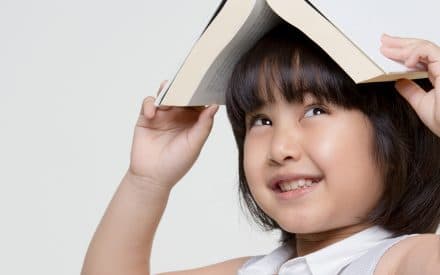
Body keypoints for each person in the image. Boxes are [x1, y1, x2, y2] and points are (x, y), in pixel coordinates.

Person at [81, 23, 440, 275]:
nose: (280, 148)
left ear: (395, 133)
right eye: (261, 121)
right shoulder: (259, 270)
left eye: (315, 111)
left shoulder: (401, 261)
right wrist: (147, 181)